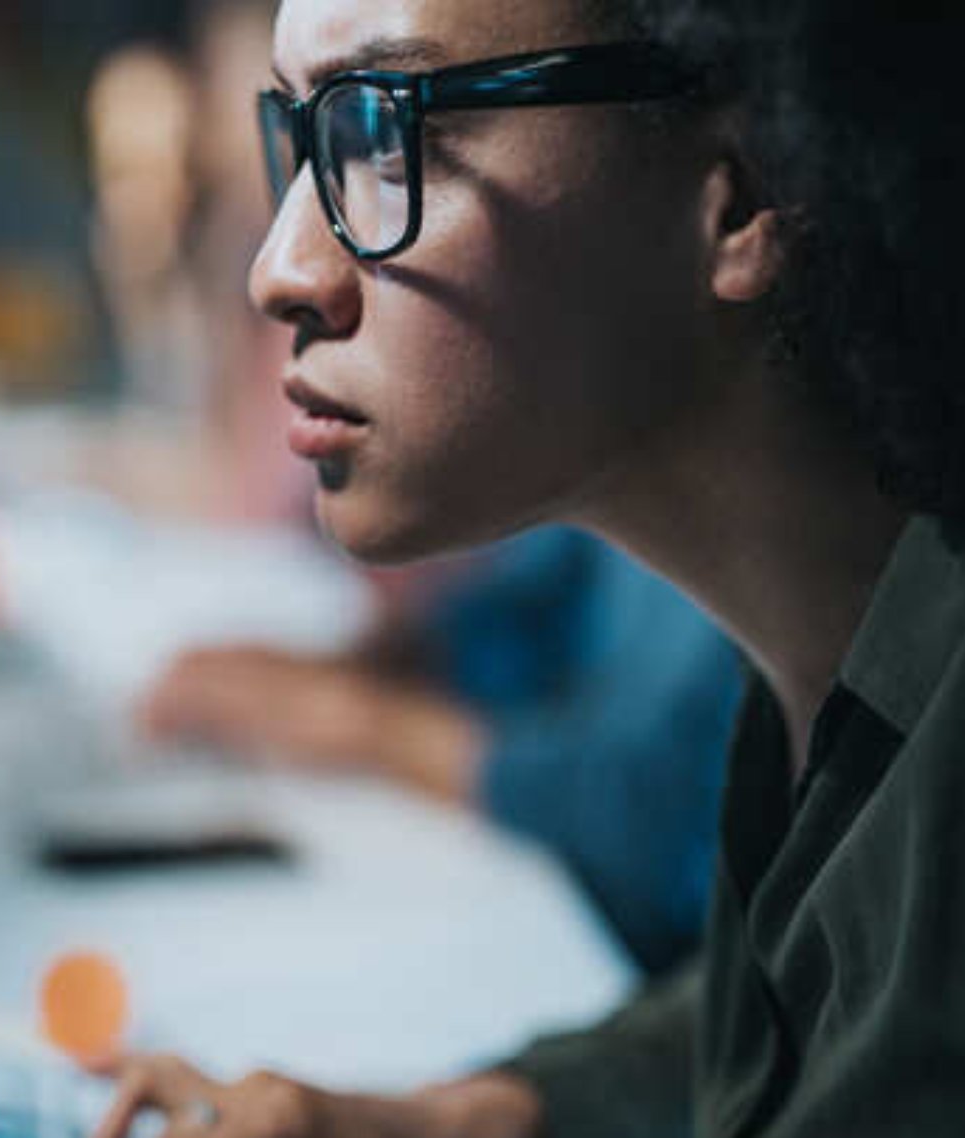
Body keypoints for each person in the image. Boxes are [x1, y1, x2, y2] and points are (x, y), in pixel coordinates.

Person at [90, 0, 965, 1135]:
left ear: (746, 189)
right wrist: (449, 1121)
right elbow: (778, 1015)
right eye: (302, 140)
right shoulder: (822, 668)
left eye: (387, 130)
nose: (282, 270)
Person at [143, 525, 743, 976]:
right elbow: (521, 614)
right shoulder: (625, 436)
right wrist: (362, 664)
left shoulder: (735, 497)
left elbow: (648, 810)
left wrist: (365, 725)